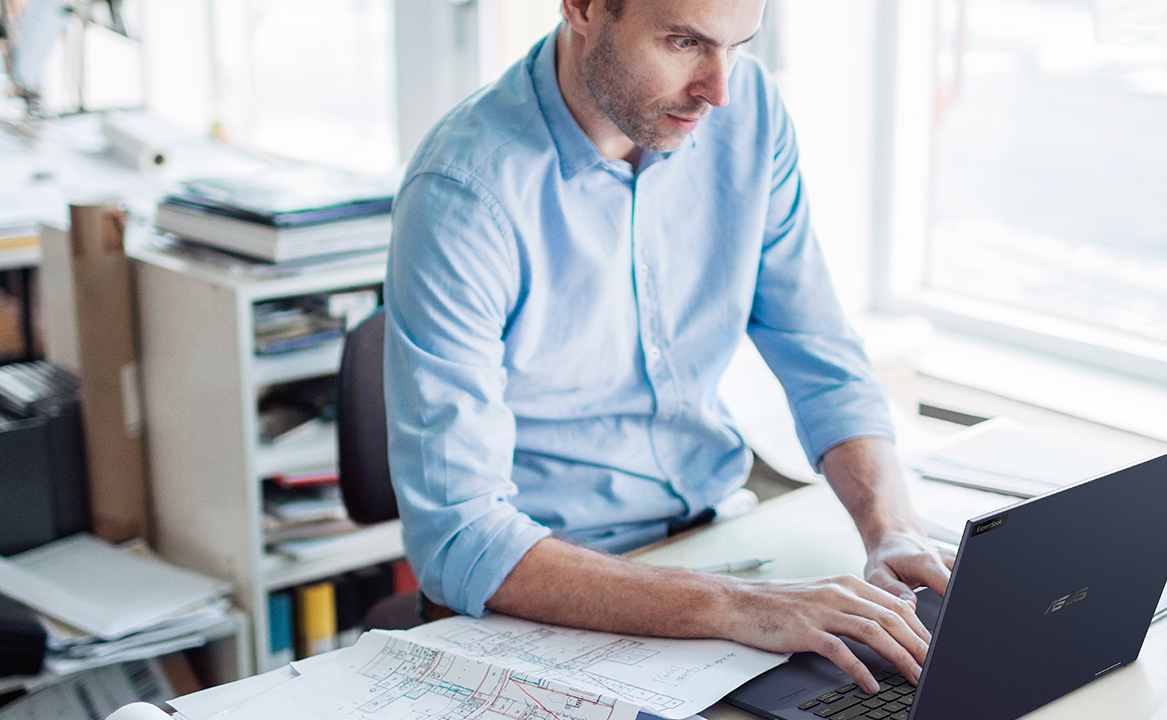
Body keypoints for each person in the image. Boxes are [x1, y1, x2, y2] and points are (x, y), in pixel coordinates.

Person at [383, 0, 955, 694]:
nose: (717, 89)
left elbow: (818, 349)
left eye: (739, 46)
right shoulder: (463, 192)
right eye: (685, 42)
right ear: (584, 8)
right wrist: (738, 608)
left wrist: (891, 529)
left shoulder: (750, 115)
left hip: (712, 549)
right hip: (544, 600)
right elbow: (460, 539)